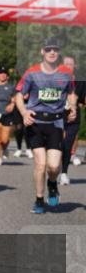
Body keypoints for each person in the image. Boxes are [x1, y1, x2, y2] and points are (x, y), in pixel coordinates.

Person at [15, 38, 77, 213]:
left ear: (58, 53)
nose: (52, 52)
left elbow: (71, 92)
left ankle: (52, 183)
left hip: (56, 123)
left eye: (55, 50)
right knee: (40, 164)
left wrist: (72, 107)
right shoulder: (32, 73)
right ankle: (39, 200)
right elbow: (19, 95)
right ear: (42, 51)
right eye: (48, 49)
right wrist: (24, 113)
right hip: (35, 123)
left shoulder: (66, 73)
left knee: (54, 166)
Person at [59, 55, 86, 185]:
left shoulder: (81, 81)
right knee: (57, 144)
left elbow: (83, 99)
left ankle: (64, 173)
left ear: (75, 66)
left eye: (71, 64)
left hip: (74, 116)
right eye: (66, 64)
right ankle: (53, 169)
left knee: (67, 145)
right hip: (57, 115)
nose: (68, 66)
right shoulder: (55, 79)